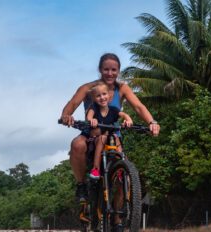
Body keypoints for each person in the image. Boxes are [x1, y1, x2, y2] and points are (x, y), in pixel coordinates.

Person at [60, 53, 160, 203]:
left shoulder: (123, 89)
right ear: (100, 69)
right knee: (77, 144)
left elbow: (139, 107)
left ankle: (118, 222)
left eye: (114, 70)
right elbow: (73, 104)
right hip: (92, 132)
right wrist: (66, 116)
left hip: (113, 134)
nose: (110, 73)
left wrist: (152, 122)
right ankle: (81, 185)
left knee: (123, 174)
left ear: (118, 71)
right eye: (106, 69)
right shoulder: (88, 88)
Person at [86, 82, 132, 180]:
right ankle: (96, 169)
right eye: (98, 96)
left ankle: (123, 166)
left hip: (111, 137)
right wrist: (92, 120)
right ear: (94, 99)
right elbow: (89, 116)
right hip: (97, 139)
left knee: (116, 137)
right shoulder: (94, 108)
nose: (102, 97)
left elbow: (124, 115)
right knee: (103, 137)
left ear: (109, 96)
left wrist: (128, 119)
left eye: (104, 94)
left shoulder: (113, 110)